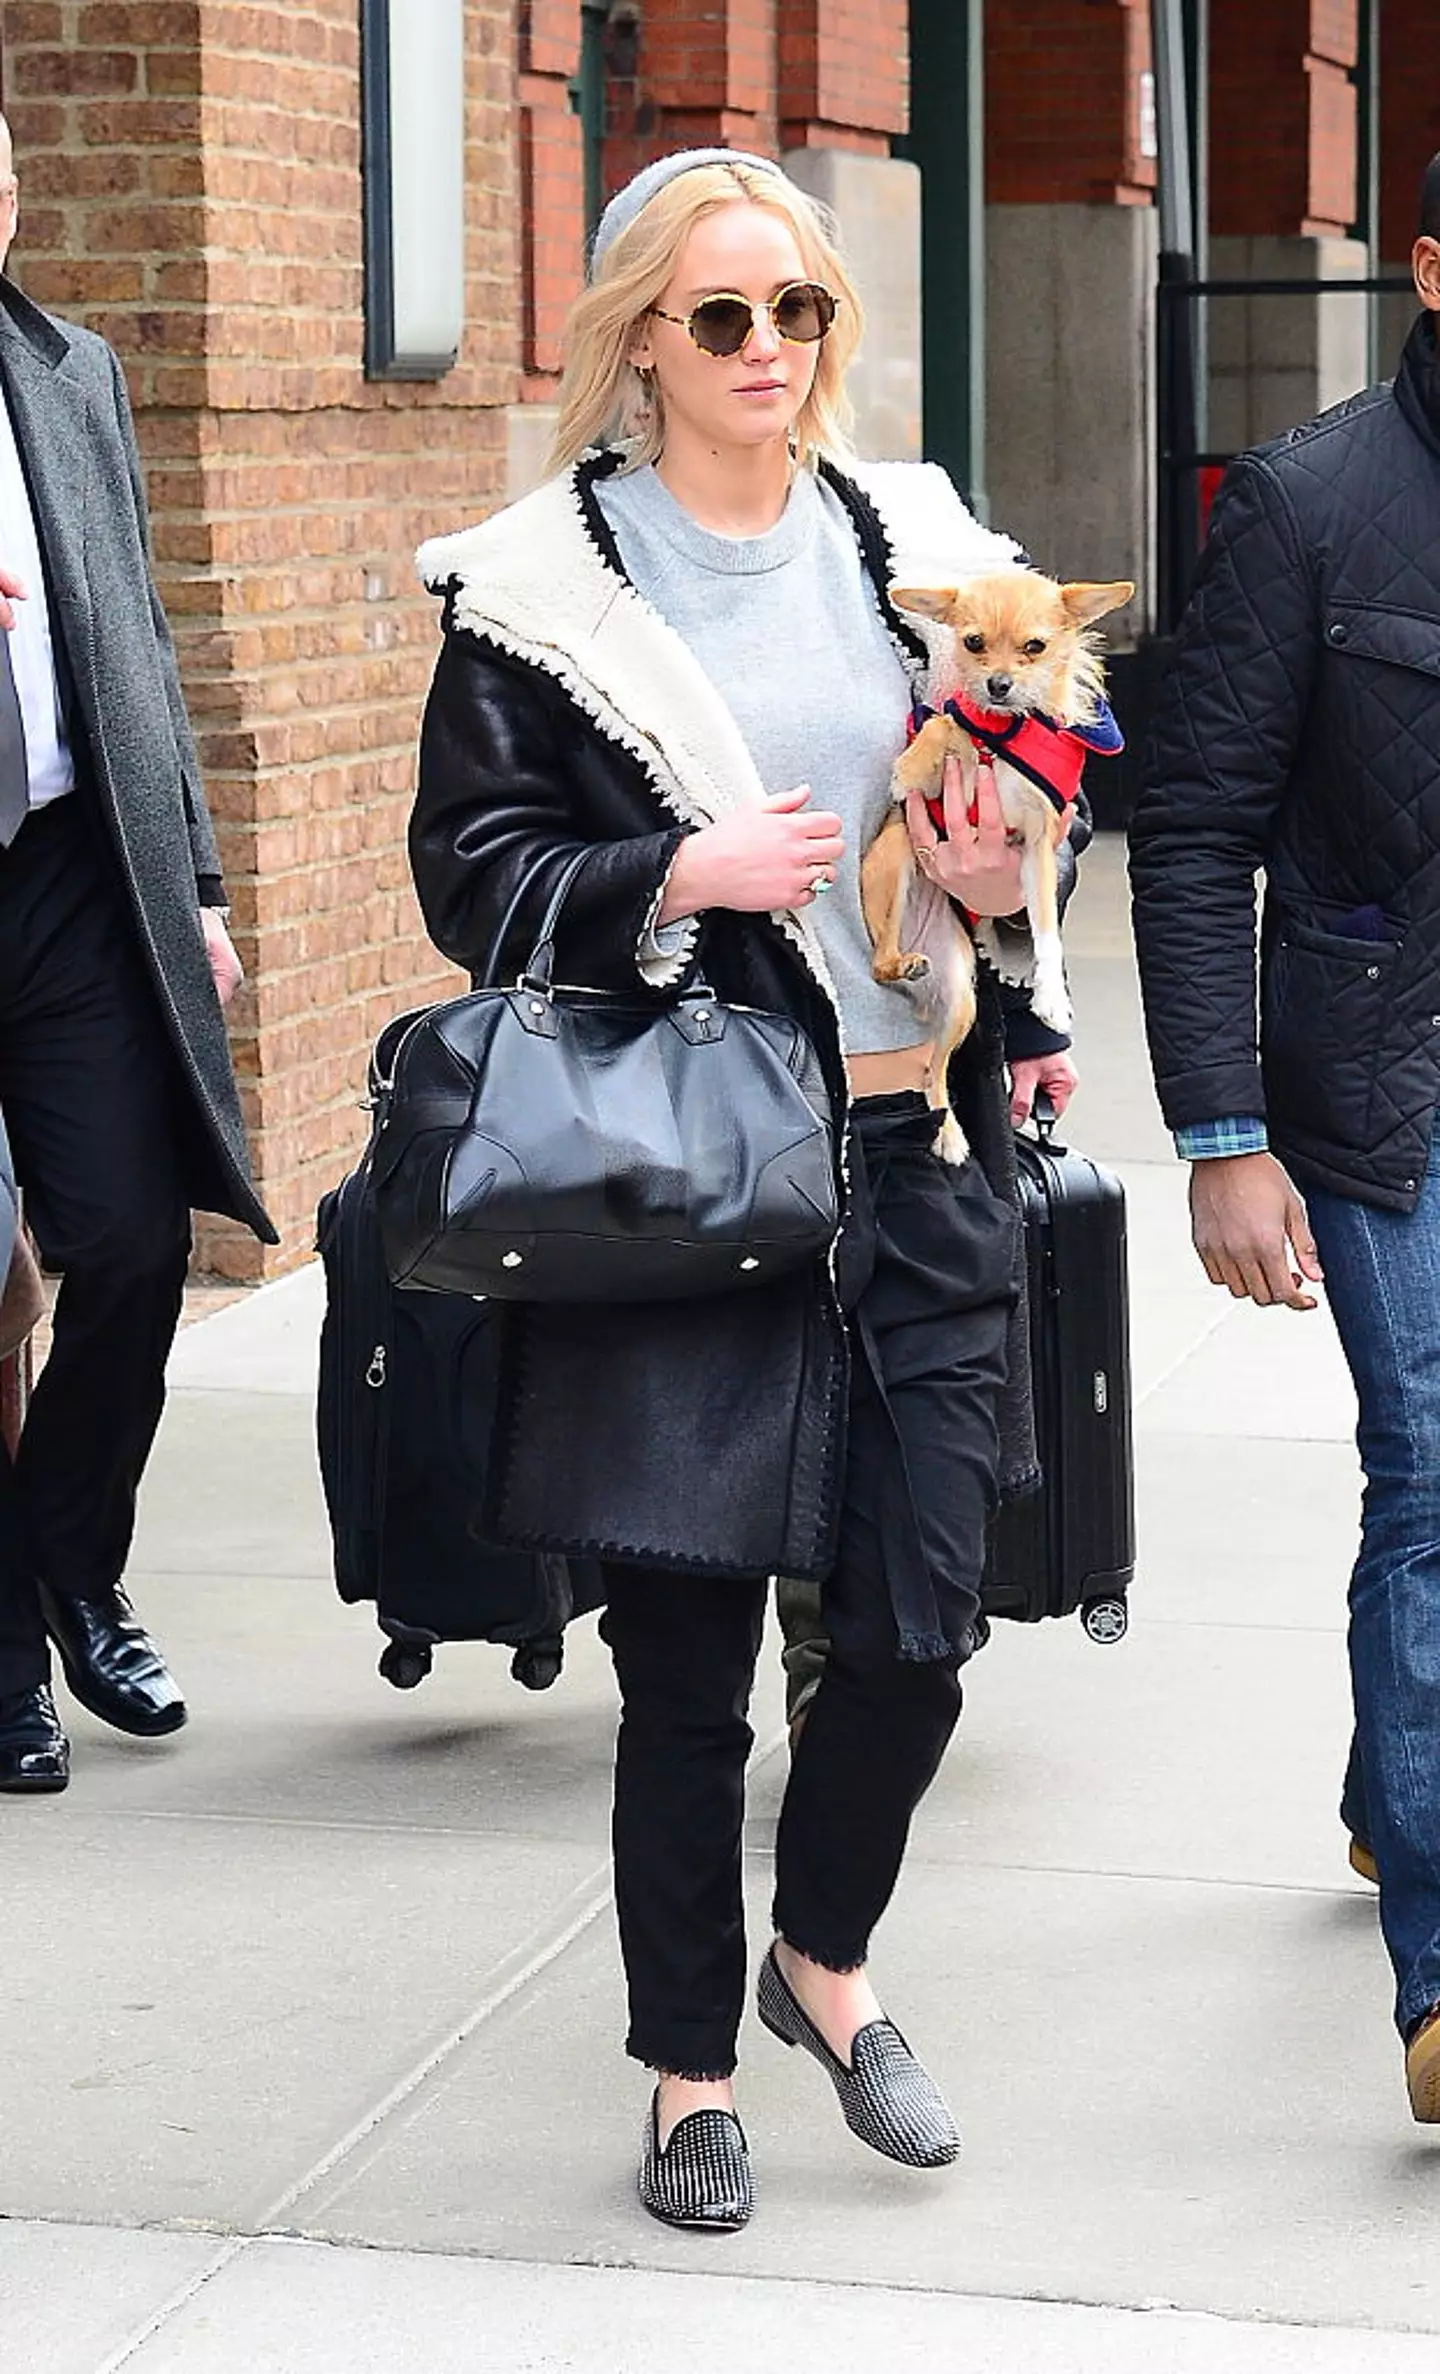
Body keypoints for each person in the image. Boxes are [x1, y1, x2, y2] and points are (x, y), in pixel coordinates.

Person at [409, 148, 1075, 2230]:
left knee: (927, 1621)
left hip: (909, 1139)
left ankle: (823, 1944)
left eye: (796, 310)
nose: (770, 349)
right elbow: (468, 872)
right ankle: (695, 2069)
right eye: (724, 318)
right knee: (687, 1668)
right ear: (639, 344)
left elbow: (1025, 770)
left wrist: (1004, 888)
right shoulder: (545, 588)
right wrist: (669, 879)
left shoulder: (912, 541)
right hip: (683, 1175)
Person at [1129, 154, 1440, 2122]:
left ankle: (1382, 1786)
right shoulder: (1309, 501)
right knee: (1433, 1473)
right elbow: (1188, 833)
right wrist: (1223, 1126)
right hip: (1382, 1089)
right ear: (1429, 264)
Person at [0, 114, 274, 1796]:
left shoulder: (70, 370)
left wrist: (198, 882)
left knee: (129, 1249)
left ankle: (67, 1565)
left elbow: (138, 636)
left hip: (68, 879)